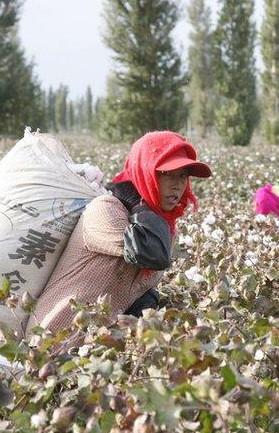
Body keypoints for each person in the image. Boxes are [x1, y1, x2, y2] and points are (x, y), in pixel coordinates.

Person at [30, 131, 211, 333]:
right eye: (166, 174)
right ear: (144, 172)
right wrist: (140, 203)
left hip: (94, 348)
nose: (177, 185)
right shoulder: (106, 209)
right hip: (51, 342)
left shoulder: (161, 225)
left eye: (182, 176)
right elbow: (150, 253)